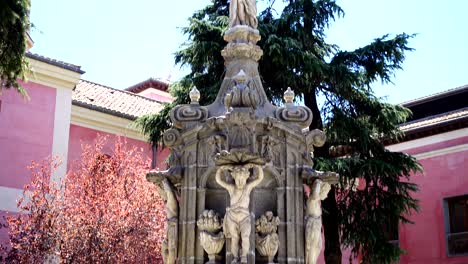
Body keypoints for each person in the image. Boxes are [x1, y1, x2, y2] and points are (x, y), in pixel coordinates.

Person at [216, 164, 264, 263]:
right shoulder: (231, 188)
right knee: (235, 238)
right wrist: (220, 169)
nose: (240, 182)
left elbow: (260, 178)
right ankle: (235, 257)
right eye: (238, 180)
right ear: (234, 178)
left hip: (244, 218)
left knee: (245, 237)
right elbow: (218, 180)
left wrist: (258, 167)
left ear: (246, 178)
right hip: (232, 217)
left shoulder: (248, 188)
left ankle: (244, 256)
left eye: (242, 180)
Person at [305, 179, 331, 264]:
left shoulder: (316, 202)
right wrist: (318, 182)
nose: (326, 195)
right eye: (326, 192)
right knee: (313, 247)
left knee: (318, 247)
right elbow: (315, 194)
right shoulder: (313, 200)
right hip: (313, 225)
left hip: (316, 225)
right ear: (321, 191)